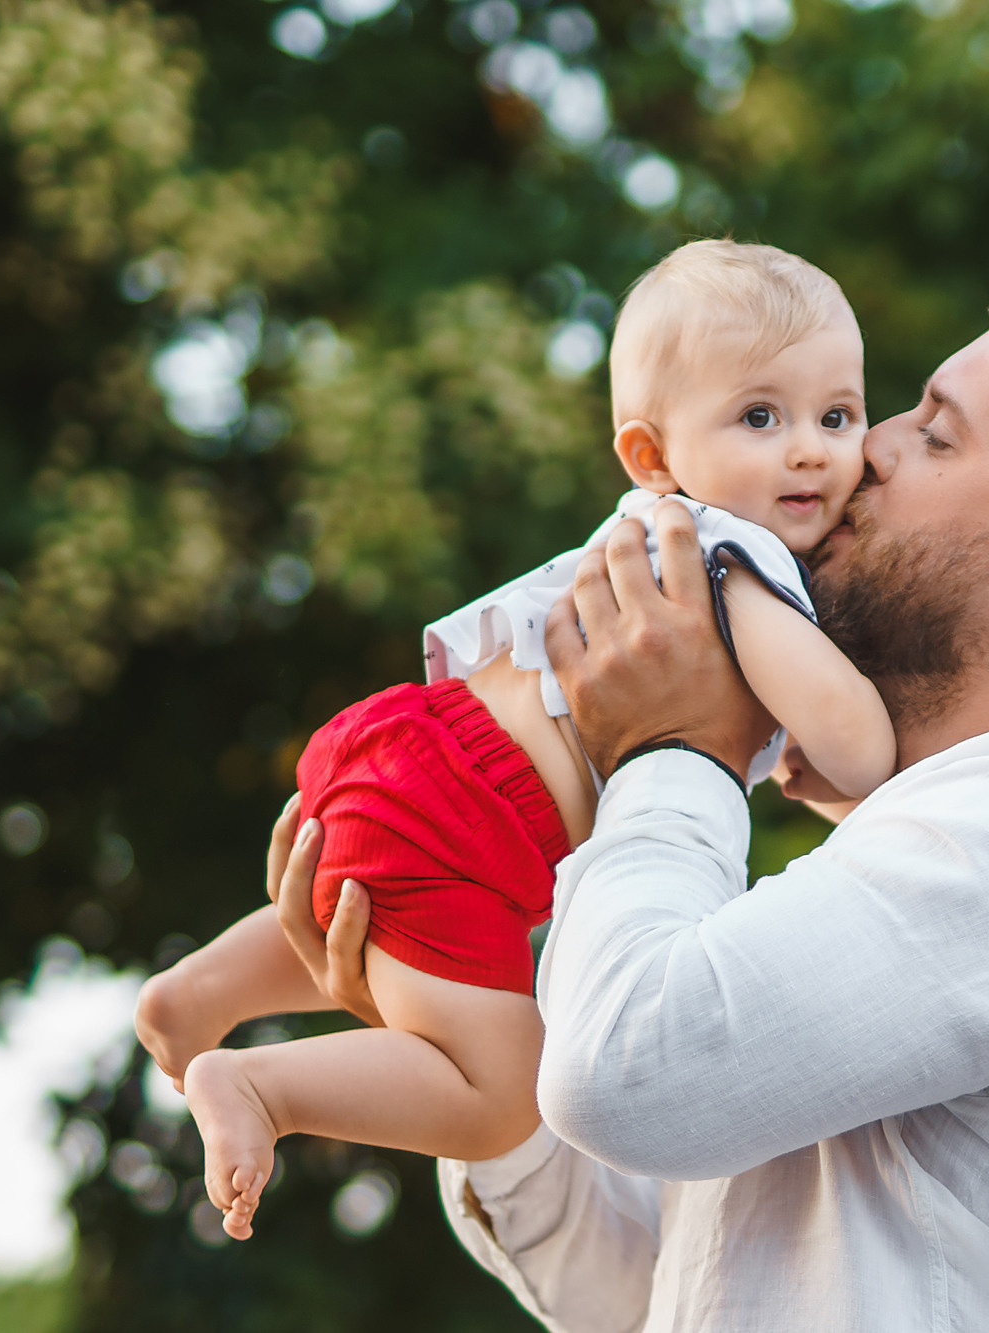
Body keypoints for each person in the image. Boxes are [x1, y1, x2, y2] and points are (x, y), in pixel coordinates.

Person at [276, 276, 989, 1331]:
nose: (868, 450)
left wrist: (674, 745)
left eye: (935, 436)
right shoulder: (918, 854)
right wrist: (446, 998)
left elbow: (625, 1078)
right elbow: (645, 1289)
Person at [133, 241, 895, 1239]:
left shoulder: (654, 531)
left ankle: (195, 995)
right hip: (471, 818)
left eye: (837, 416)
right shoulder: (726, 550)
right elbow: (857, 747)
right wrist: (878, 736)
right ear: (652, 456)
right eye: (761, 416)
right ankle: (262, 1086)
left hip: (410, 743)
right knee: (504, 1097)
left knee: (361, 901)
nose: (809, 449)